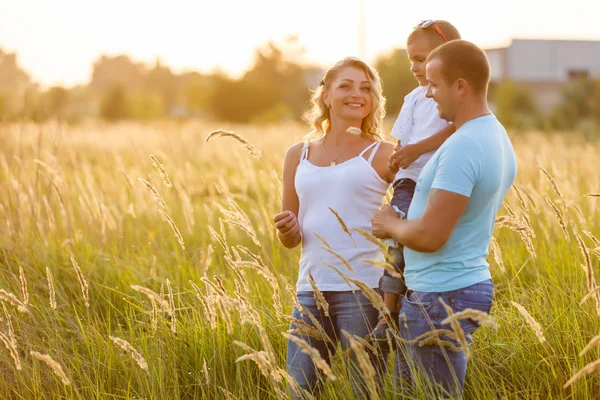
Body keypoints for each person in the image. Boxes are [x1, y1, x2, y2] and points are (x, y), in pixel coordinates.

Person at [371, 40, 517, 397]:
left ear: (461, 86)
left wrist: (389, 223)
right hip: (444, 290)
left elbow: (432, 235)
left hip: (441, 295)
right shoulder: (495, 135)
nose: (429, 93)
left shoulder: (464, 145)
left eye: (435, 85)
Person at [273, 57, 396, 398]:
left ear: (373, 100)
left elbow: (413, 207)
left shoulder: (384, 153)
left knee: (366, 392)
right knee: (300, 392)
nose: (357, 94)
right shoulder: (297, 154)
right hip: (309, 290)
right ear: (325, 95)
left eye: (366, 88)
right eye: (346, 86)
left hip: (365, 291)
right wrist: (287, 230)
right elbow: (292, 238)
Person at [368, 20, 461, 345]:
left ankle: (403, 310)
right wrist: (398, 157)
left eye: (422, 59)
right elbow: (402, 142)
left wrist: (418, 149)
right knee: (398, 245)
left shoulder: (451, 96)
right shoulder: (412, 99)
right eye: (412, 60)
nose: (414, 67)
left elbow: (453, 129)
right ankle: (387, 317)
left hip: (435, 181)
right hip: (408, 184)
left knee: (418, 244)